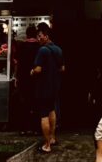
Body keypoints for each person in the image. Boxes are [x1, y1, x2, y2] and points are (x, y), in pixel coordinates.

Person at [31, 22, 64, 154]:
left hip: (43, 88)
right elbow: (62, 68)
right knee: (52, 111)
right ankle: (53, 137)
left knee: (44, 115)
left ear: (46, 36)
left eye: (40, 36)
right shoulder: (58, 49)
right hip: (55, 87)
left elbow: (38, 69)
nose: (38, 39)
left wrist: (32, 72)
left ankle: (47, 144)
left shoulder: (42, 50)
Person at [13, 26, 41, 133]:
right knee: (36, 104)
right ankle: (36, 129)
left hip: (23, 78)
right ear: (36, 34)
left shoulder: (22, 46)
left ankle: (24, 128)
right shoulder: (39, 47)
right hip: (35, 79)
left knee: (24, 103)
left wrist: (16, 77)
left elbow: (16, 62)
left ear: (27, 34)